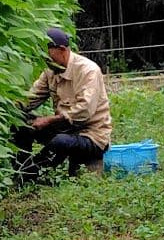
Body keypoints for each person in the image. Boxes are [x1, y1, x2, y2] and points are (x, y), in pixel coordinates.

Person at [13, 27, 112, 179]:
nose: (45, 59)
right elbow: (32, 98)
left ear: (62, 50)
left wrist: (49, 119)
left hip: (91, 135)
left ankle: (29, 173)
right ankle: (18, 168)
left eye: (48, 54)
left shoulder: (88, 71)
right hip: (64, 129)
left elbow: (84, 110)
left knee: (60, 142)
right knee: (21, 124)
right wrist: (9, 109)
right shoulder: (51, 70)